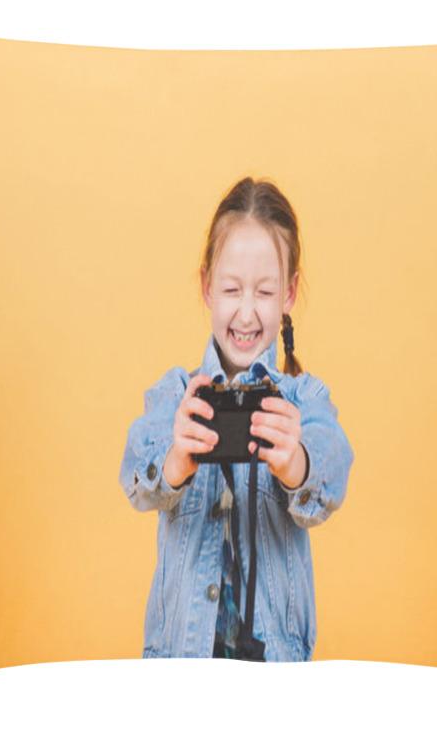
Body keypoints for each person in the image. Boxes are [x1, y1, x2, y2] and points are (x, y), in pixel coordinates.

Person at [118, 176, 354, 661]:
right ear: (207, 287)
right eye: (231, 289)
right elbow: (135, 478)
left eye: (264, 293)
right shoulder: (176, 398)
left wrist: (298, 464)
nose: (246, 314)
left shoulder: (301, 400)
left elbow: (333, 465)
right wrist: (175, 463)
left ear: (288, 295)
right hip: (182, 662)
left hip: (272, 663)